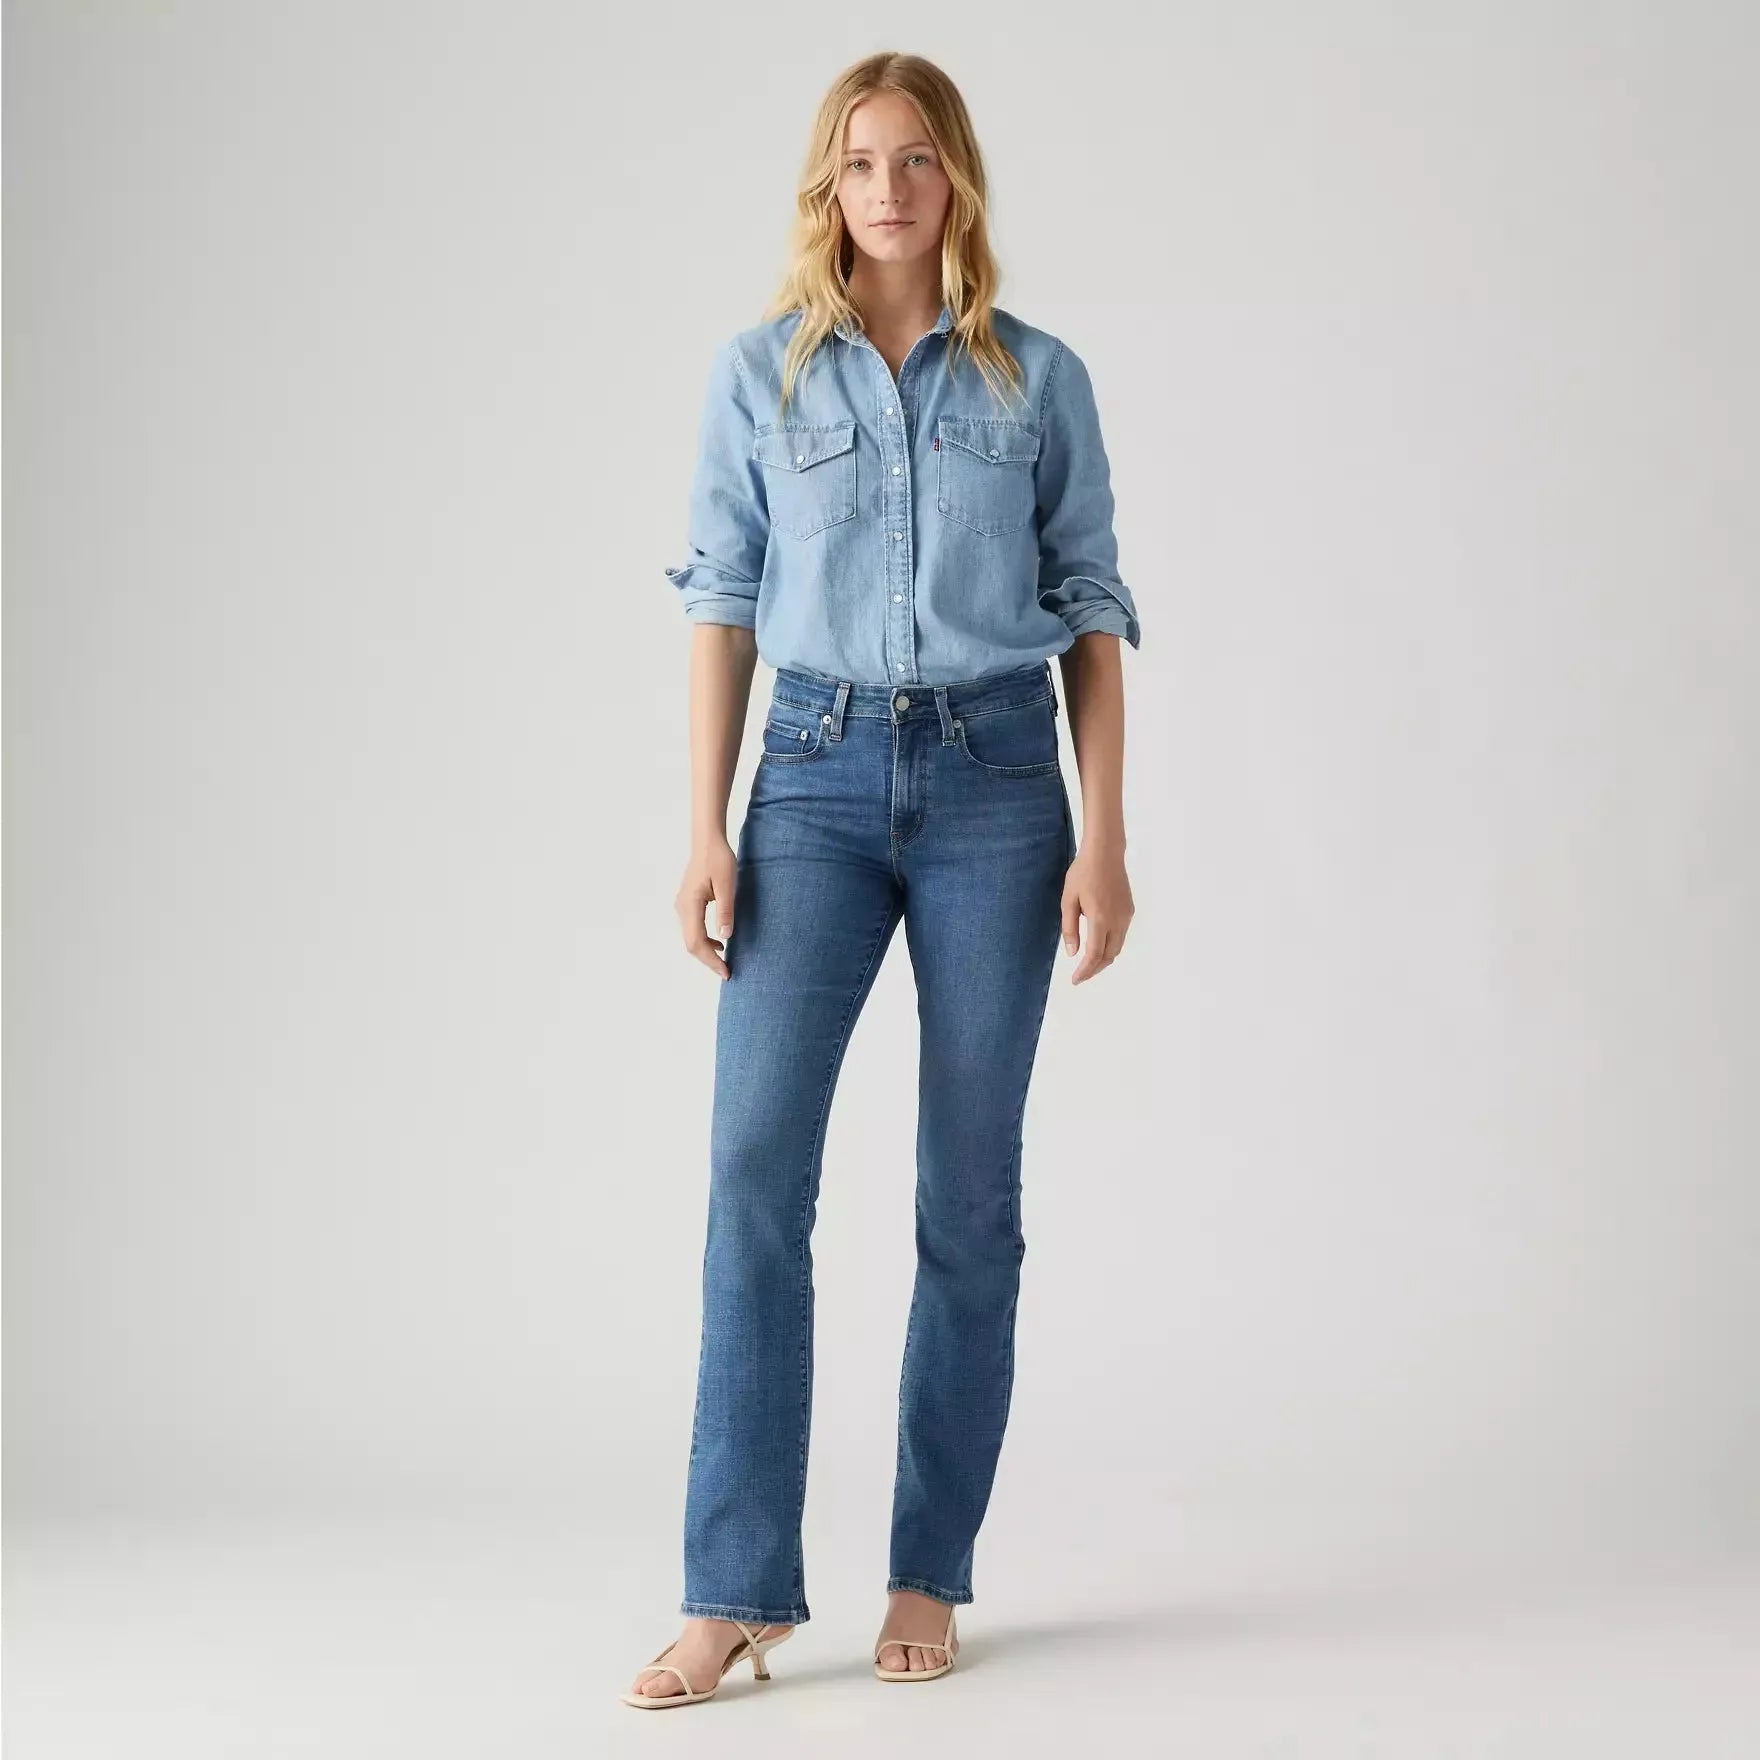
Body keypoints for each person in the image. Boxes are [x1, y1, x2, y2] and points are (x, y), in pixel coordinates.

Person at [623, 50, 1140, 1710]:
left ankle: (929, 1568)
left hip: (1001, 789)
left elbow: (1092, 610)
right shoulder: (760, 376)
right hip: (813, 782)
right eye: (860, 163)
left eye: (916, 160)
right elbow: (721, 599)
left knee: (966, 1197)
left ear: (956, 179)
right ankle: (733, 1593)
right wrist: (707, 826)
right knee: (752, 1175)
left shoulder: (1038, 379)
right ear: (826, 187)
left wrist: (1107, 836)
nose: (890, 189)